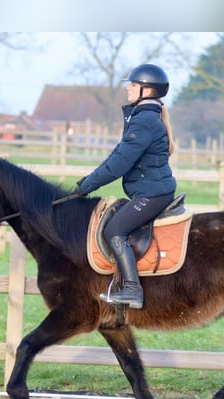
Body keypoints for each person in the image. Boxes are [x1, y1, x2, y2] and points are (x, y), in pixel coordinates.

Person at [75, 63, 177, 309]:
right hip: (151, 191)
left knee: (114, 230)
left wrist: (86, 187)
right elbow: (116, 156)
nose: (128, 89)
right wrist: (86, 182)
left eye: (132, 85)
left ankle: (132, 290)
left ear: (147, 90)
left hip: (153, 194)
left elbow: (119, 164)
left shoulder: (144, 122)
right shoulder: (143, 118)